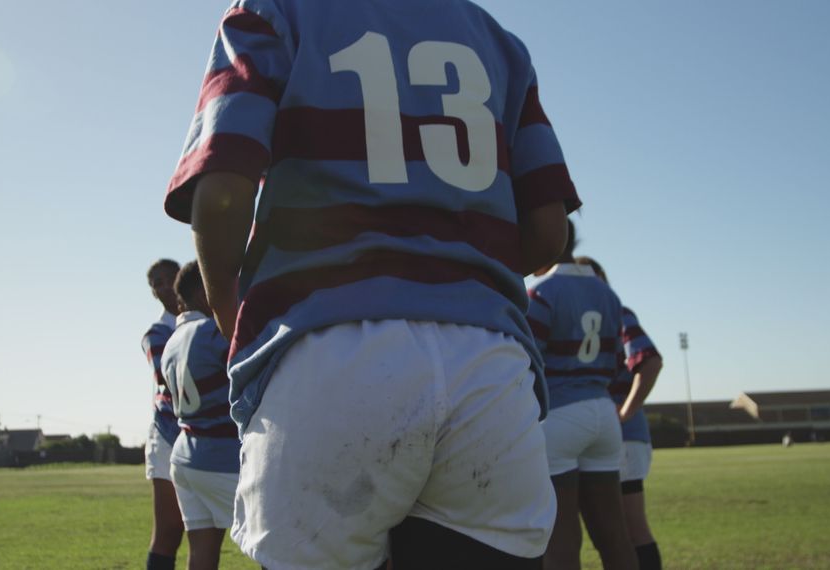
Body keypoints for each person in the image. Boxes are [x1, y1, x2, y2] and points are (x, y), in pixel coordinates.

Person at [162, 1, 581, 567]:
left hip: (328, 347)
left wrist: (224, 302)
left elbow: (221, 188)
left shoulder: (275, 9)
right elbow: (549, 232)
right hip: (489, 364)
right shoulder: (497, 40)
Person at [526, 222, 637, 570]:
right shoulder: (607, 293)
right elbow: (619, 360)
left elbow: (527, 362)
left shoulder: (543, 292)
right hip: (603, 414)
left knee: (561, 538)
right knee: (614, 535)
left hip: (559, 415)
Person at [576, 256, 664, 570]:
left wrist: (626, 411)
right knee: (612, 533)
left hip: (620, 435)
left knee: (629, 530)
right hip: (601, 434)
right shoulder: (579, 315)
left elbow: (649, 360)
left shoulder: (615, 313)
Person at [161, 261, 239, 570]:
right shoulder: (212, 332)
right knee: (281, 544)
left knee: (201, 554)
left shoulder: (172, 341)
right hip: (223, 457)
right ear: (204, 292)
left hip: (185, 457)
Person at [141, 258, 185, 570]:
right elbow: (170, 383)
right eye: (157, 282)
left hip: (208, 434)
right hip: (169, 435)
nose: (165, 285)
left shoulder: (209, 320)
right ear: (153, 293)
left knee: (208, 532)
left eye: (171, 277)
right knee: (170, 530)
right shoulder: (156, 333)